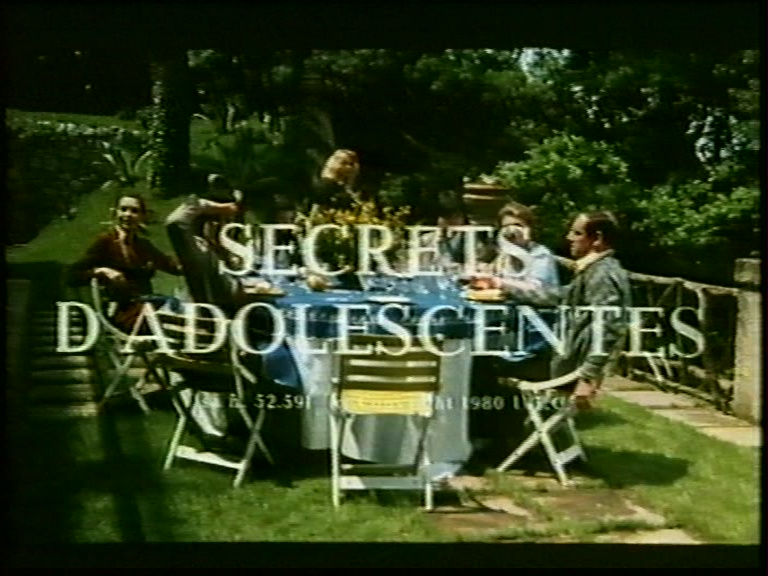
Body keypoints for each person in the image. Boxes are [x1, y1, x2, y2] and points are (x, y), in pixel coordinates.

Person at [482, 210, 632, 409]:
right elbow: (556, 295)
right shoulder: (593, 269)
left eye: (576, 233)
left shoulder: (602, 274)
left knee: (483, 363)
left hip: (569, 370)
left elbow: (609, 328)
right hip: (564, 359)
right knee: (492, 353)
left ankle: (492, 426)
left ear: (597, 239)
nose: (569, 238)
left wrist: (587, 378)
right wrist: (502, 285)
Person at [68, 194, 183, 332]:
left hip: (147, 306)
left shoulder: (143, 245)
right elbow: (71, 275)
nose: (127, 215)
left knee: (181, 310)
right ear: (115, 213)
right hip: (125, 313)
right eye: (123, 209)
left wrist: (192, 256)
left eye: (134, 211)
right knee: (172, 318)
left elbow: (171, 266)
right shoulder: (106, 242)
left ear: (142, 216)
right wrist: (101, 271)